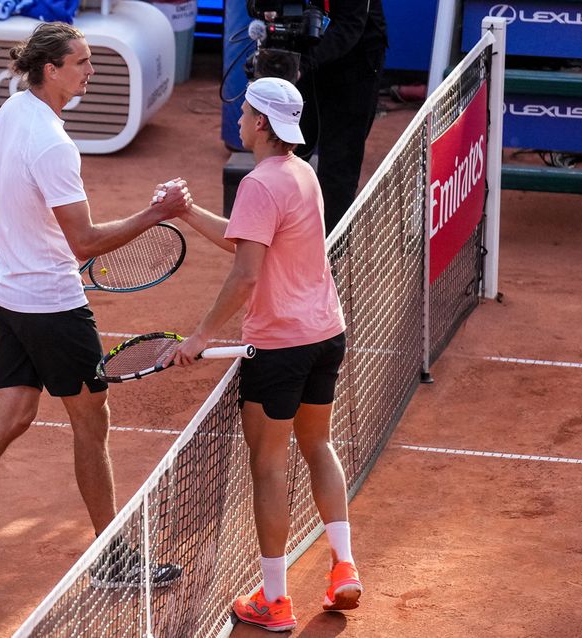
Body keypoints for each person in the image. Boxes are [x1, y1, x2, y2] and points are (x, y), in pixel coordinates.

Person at [0, 22, 190, 594]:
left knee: (11, 415)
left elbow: (40, 216)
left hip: (7, 292)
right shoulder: (56, 145)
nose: (91, 71)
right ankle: (114, 558)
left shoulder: (14, 110)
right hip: (51, 306)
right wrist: (156, 214)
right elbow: (84, 241)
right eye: (81, 62)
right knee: (92, 423)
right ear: (51, 69)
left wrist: (50, 250)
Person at [167, 77, 360, 631]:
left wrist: (200, 336)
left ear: (260, 123)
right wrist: (187, 211)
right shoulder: (303, 174)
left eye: (245, 111)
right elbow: (248, 236)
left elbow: (246, 273)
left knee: (269, 466)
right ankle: (344, 566)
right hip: (325, 334)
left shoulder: (257, 183)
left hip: (279, 347)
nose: (239, 119)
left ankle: (274, 600)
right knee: (318, 444)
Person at [296, 0, 387, 234]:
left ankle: (330, 248)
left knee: (338, 168)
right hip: (305, 58)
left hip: (356, 66)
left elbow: (349, 26)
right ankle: (279, 236)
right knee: (289, 151)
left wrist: (302, 64)